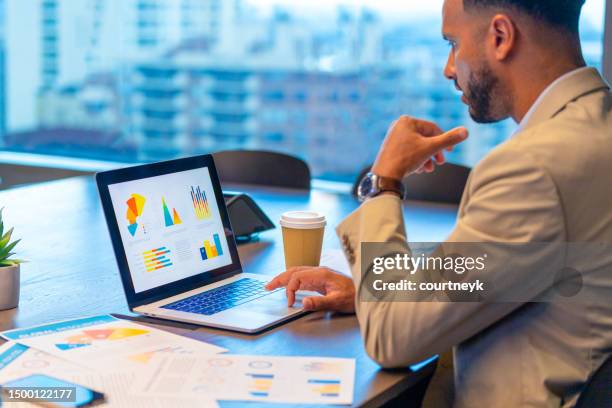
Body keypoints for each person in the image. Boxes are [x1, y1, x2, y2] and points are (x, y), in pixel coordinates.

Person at [266, 0, 612, 406]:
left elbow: (392, 339)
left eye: (453, 43)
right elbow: (525, 262)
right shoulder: (594, 129)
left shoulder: (532, 167)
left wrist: (384, 181)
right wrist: (374, 293)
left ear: (500, 37)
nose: (450, 68)